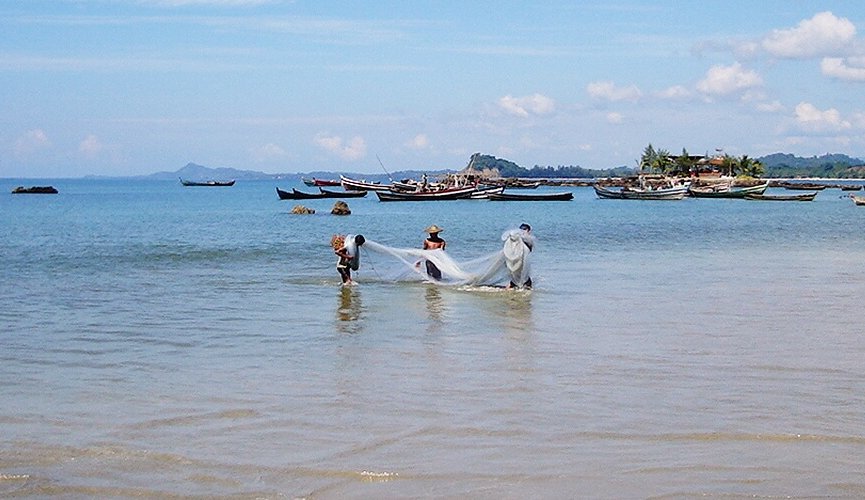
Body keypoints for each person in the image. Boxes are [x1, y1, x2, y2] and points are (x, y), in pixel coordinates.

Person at [507, 223, 534, 289]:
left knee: (515, 279)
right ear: (528, 230)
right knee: (526, 282)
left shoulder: (515, 239)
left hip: (515, 264)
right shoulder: (528, 240)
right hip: (521, 264)